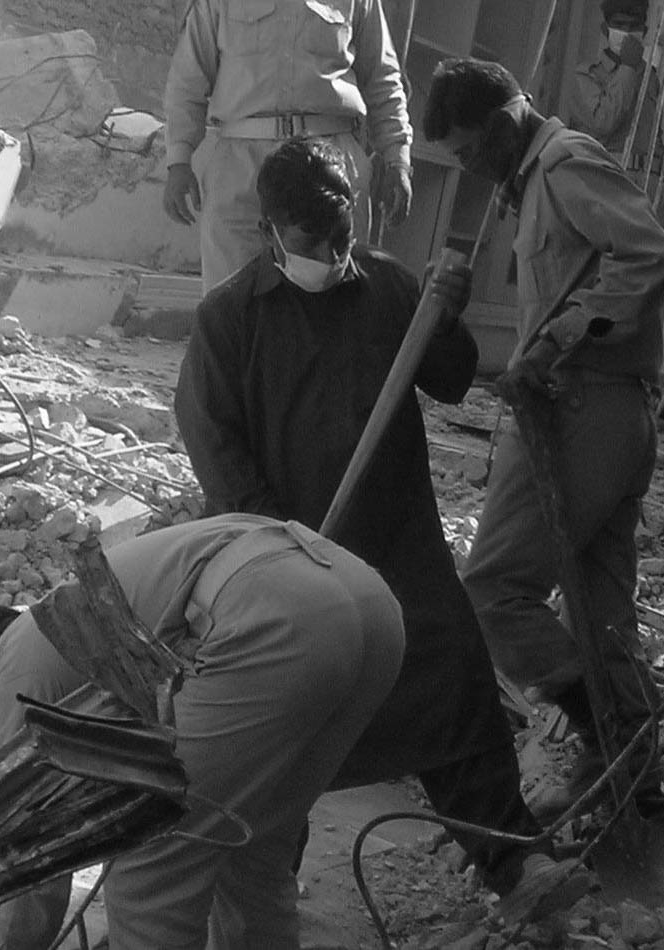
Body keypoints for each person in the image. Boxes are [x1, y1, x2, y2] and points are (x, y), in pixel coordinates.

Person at [174, 135, 589, 921]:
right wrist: (277, 544)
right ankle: (261, 891)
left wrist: (448, 313)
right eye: (310, 238)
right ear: (271, 230)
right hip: (289, 559)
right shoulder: (231, 318)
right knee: (288, 727)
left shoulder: (393, 290)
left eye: (342, 229)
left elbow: (455, 378)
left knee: (453, 691)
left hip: (399, 546)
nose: (331, 249)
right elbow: (213, 442)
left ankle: (514, 862)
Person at [0, 513, 405, 950]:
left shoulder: (14, 667)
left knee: (155, 856)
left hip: (275, 614)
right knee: (251, 850)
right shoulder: (68, 620)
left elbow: (29, 869)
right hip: (367, 602)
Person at [422, 57, 664, 818]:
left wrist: (556, 338)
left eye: (470, 151)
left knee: (493, 591)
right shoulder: (532, 182)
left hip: (582, 408)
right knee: (601, 614)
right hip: (605, 409)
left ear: (504, 125)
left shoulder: (565, 164)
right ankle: (640, 789)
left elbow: (650, 255)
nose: (468, 168)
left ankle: (607, 729)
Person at [163, 0, 413, 293]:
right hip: (241, 161)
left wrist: (398, 159)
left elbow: (383, 81)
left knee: (334, 300)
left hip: (330, 160)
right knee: (231, 301)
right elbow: (189, 78)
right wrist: (178, 161)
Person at [568, 0, 664, 216]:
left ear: (644, 31)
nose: (626, 32)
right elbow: (603, 122)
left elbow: (654, 132)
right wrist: (627, 68)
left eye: (634, 26)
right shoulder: (587, 74)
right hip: (607, 176)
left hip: (647, 181)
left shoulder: (650, 77)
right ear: (606, 29)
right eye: (619, 25)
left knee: (653, 249)